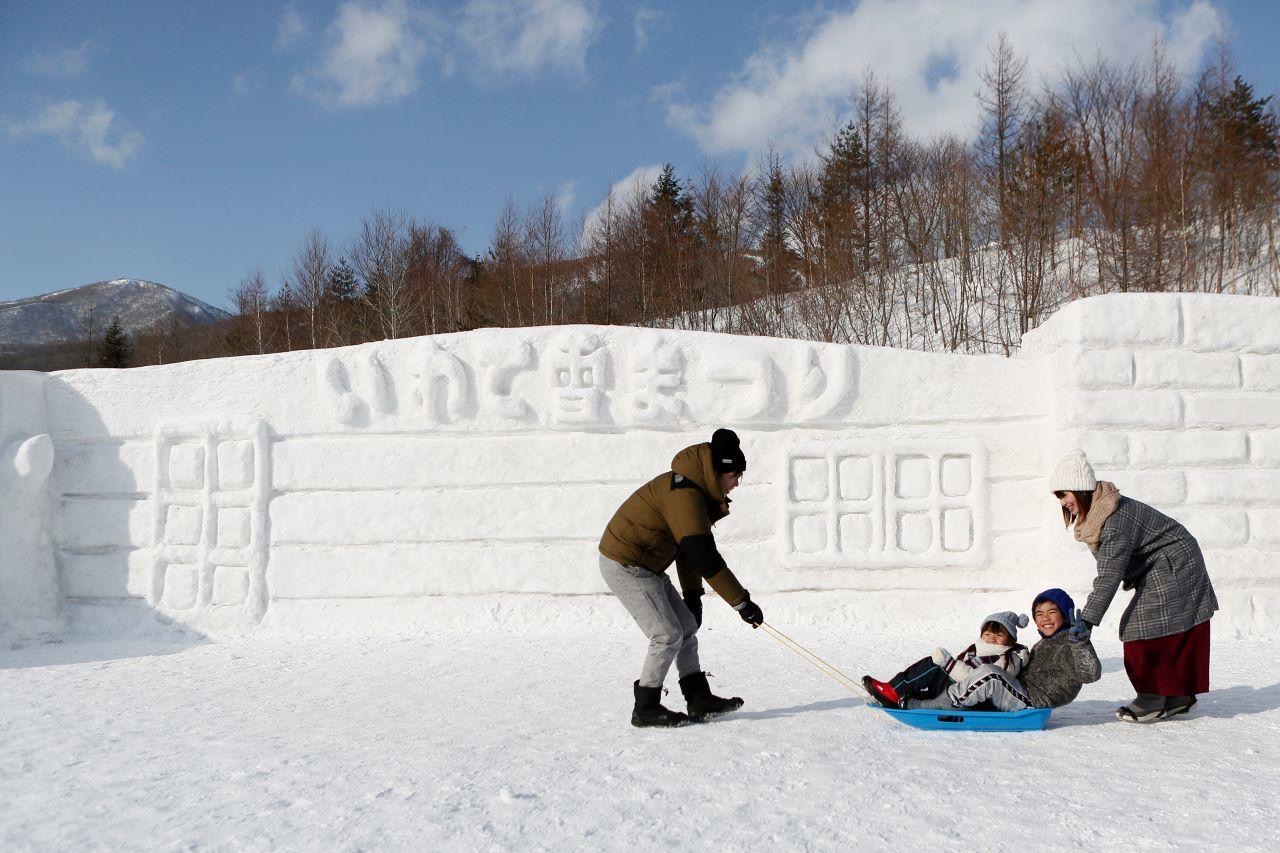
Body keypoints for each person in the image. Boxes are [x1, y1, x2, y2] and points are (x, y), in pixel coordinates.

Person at [598, 428, 764, 728]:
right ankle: (646, 708)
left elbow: (687, 551)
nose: (737, 483)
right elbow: (703, 556)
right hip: (626, 563)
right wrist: (741, 603)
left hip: (648, 565)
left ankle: (698, 699)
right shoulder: (684, 494)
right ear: (718, 471)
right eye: (734, 475)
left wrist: (692, 596)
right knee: (666, 634)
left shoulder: (695, 492)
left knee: (685, 626)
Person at [1050, 450, 1218, 723]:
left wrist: (1089, 620)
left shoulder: (1113, 521)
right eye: (1058, 497)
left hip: (1174, 562)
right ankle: (1177, 697)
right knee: (1160, 627)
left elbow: (1108, 576)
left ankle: (1152, 699)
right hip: (1166, 562)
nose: (1063, 502)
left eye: (1064, 494)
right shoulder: (1099, 513)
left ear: (1081, 489)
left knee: (1139, 629)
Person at [864, 590, 1101, 713]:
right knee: (938, 666)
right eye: (1039, 614)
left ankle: (929, 705)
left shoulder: (1070, 642)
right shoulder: (1045, 643)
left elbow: (1091, 674)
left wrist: (1081, 643)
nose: (1045, 619)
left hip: (1033, 701)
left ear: (1066, 613)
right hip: (1017, 691)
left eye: (1052, 612)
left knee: (990, 673)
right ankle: (895, 691)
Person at [861, 611, 1031, 708]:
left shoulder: (1011, 657)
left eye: (998, 634)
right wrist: (948, 665)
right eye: (987, 634)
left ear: (1010, 639)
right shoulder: (975, 650)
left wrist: (949, 665)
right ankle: (896, 693)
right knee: (934, 664)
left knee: (938, 667)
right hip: (956, 690)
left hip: (975, 699)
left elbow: (983, 680)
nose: (991, 638)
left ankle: (893, 691)